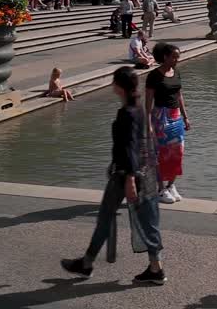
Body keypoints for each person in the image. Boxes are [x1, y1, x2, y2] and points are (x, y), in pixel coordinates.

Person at [61, 66, 165, 284]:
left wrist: (129, 179)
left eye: (113, 82)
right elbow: (137, 144)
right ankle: (155, 268)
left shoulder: (126, 112)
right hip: (140, 172)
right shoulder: (137, 108)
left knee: (106, 219)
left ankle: (87, 263)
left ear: (119, 86)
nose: (111, 85)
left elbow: (128, 147)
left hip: (125, 175)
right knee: (146, 221)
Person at [146, 42, 189, 203]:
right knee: (161, 154)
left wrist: (185, 117)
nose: (177, 60)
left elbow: (179, 95)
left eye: (178, 57)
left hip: (176, 115)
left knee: (178, 152)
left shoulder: (176, 72)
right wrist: (149, 123)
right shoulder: (154, 76)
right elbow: (148, 101)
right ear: (165, 57)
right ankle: (160, 189)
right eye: (174, 57)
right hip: (160, 117)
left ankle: (171, 185)